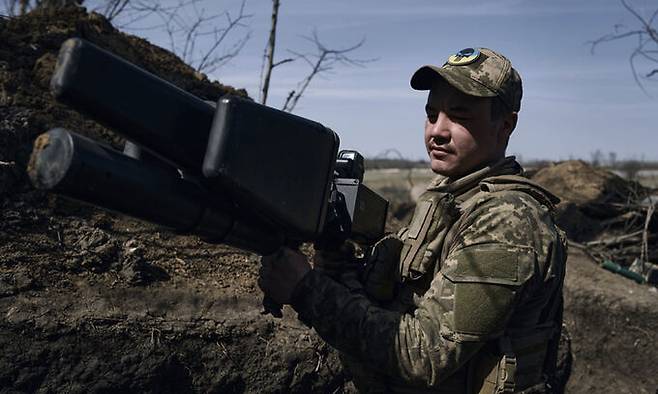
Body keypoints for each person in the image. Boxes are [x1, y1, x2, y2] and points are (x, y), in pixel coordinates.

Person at [258, 47, 568, 394]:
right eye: (431, 114)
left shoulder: (508, 222)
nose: (437, 130)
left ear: (505, 125)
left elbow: (423, 357)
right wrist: (338, 265)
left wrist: (305, 288)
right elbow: (398, 304)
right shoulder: (450, 198)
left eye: (459, 116)